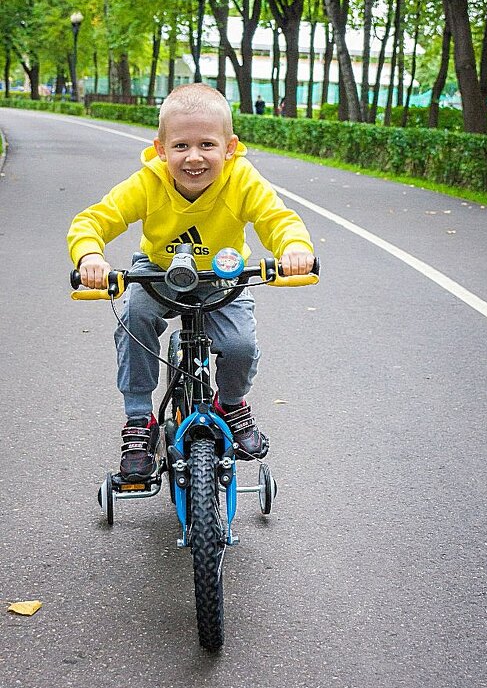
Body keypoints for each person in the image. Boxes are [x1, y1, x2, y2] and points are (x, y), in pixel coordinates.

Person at [67, 83, 315, 482]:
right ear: (161, 148)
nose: (194, 157)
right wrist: (91, 256)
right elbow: (94, 220)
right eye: (181, 146)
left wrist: (294, 249)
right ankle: (138, 419)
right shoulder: (148, 182)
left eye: (207, 145)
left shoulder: (242, 180)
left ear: (230, 147)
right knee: (134, 319)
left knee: (240, 345)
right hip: (158, 272)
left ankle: (230, 403)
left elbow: (277, 219)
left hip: (222, 277)